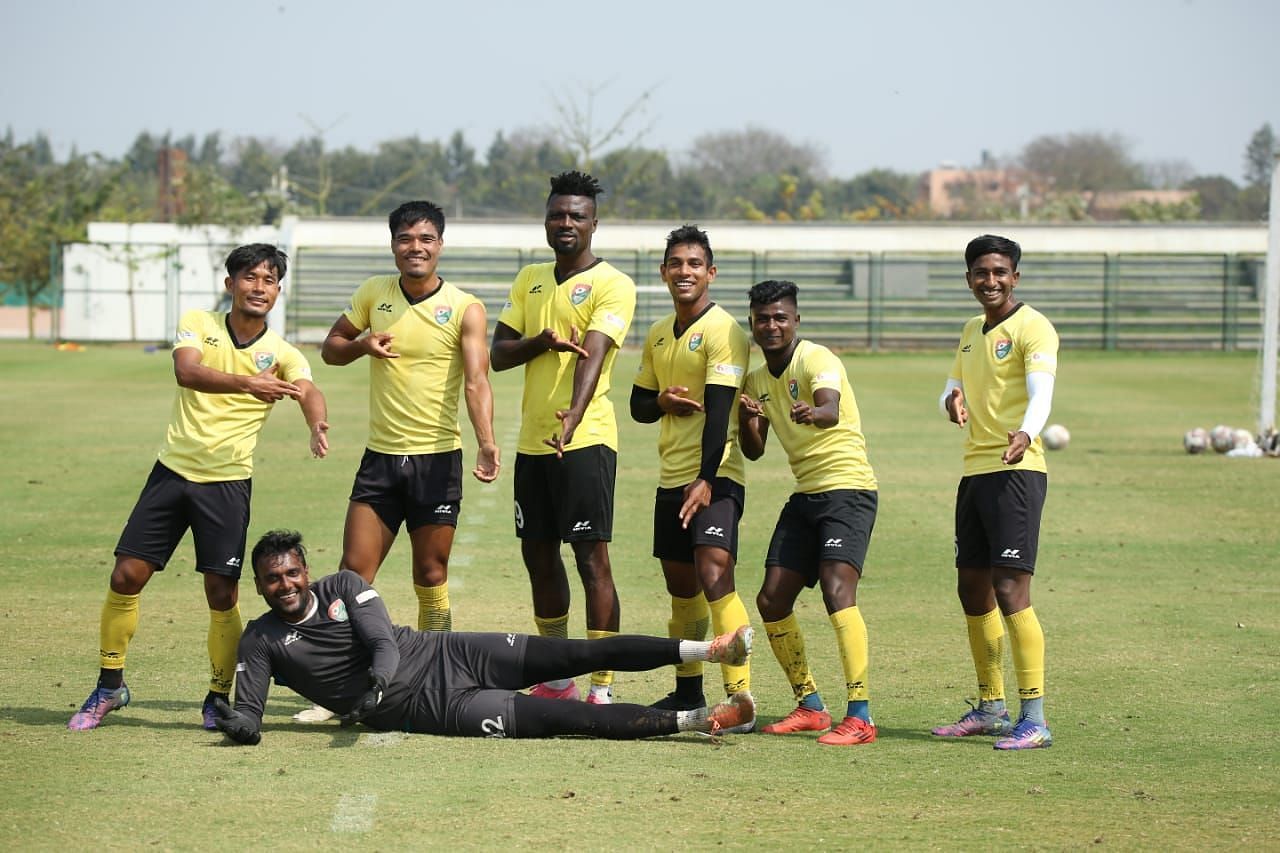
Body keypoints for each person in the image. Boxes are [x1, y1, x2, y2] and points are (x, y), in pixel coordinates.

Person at [68, 244, 329, 731]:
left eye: (270, 280)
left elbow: (309, 389)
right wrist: (250, 384)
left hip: (227, 484)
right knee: (127, 576)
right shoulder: (200, 323)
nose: (259, 288)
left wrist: (317, 423)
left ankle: (216, 696)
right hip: (172, 474)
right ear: (230, 284)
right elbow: (186, 371)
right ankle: (109, 686)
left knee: (221, 593)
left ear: (278, 291)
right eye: (249, 277)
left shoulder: (285, 353)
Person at [210, 530, 755, 743]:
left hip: (451, 651)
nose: (284, 585)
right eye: (272, 578)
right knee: (564, 719)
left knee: (579, 653)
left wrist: (376, 680)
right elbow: (251, 714)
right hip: (432, 707)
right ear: (258, 585)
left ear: (306, 570)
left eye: (291, 573)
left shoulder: (345, 585)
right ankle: (702, 720)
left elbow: (382, 642)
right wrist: (240, 725)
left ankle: (710, 650)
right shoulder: (260, 640)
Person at [489, 171, 636, 704]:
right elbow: (499, 355)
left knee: (590, 558)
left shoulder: (613, 283)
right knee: (539, 557)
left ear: (594, 223)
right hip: (534, 444)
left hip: (585, 441)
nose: (566, 223)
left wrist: (575, 411)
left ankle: (602, 686)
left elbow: (594, 351)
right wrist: (539, 341)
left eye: (577, 215)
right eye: (557, 215)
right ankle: (557, 680)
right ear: (545, 221)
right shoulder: (530, 278)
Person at [321, 200, 499, 631]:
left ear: (439, 244)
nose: (414, 247)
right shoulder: (373, 294)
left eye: (425, 239)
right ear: (393, 245)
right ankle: (347, 678)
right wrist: (362, 345)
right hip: (380, 460)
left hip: (437, 460)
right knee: (352, 575)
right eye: (405, 239)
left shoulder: (464, 307)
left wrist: (487, 442)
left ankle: (434, 672)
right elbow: (331, 349)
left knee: (431, 574)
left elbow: (477, 381)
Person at [738, 280, 880, 746]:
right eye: (763, 318)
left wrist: (811, 413)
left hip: (849, 490)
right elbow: (754, 451)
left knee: (838, 591)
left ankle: (860, 715)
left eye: (781, 317)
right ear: (753, 325)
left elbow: (830, 409)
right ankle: (811, 705)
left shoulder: (816, 358)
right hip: (806, 495)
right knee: (771, 600)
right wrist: (748, 415)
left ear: (796, 320)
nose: (772, 325)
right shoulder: (757, 380)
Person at [932, 234, 1058, 751]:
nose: (991, 281)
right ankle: (991, 707)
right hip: (975, 472)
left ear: (1015, 277)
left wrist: (1026, 433)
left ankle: (1035, 717)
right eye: (981, 273)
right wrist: (951, 399)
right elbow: (949, 386)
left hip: (1018, 472)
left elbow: (1041, 392)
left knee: (1011, 590)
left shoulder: (1034, 327)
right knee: (973, 590)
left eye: (1000, 272)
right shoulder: (969, 331)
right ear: (969, 278)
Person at [630, 225, 754, 730]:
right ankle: (687, 691)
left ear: (711, 272)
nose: (685, 272)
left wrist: (705, 478)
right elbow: (638, 404)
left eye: (695, 264)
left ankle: (740, 699)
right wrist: (661, 400)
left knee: (714, 576)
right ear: (663, 273)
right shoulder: (660, 332)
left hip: (716, 476)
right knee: (681, 591)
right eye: (676, 264)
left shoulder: (725, 332)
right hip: (670, 479)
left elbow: (722, 410)